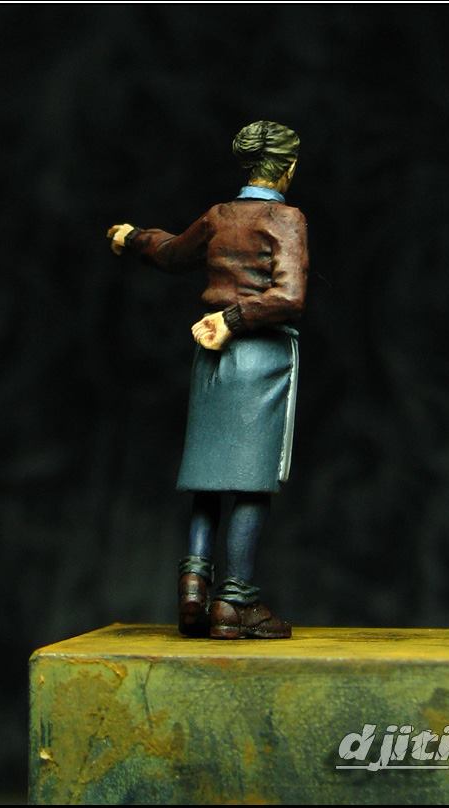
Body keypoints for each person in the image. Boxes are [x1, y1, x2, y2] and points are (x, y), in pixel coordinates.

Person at [107, 120, 309, 639]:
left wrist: (134, 238)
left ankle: (194, 587)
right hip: (258, 355)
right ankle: (235, 601)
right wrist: (236, 319)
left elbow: (173, 253)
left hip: (211, 355)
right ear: (287, 168)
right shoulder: (285, 219)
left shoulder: (219, 216)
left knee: (208, 475)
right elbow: (289, 297)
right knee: (251, 480)